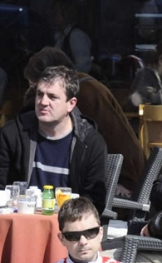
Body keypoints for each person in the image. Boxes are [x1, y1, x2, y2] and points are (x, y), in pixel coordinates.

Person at [0, 66, 107, 213]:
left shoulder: (90, 143)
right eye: (39, 94)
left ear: (71, 104)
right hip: (19, 217)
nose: (43, 102)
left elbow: (94, 200)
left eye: (52, 97)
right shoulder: (14, 133)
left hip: (67, 222)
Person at [24, 47, 145, 194]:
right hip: (128, 171)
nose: (41, 100)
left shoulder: (81, 94)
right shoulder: (86, 85)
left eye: (35, 87)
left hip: (122, 179)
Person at [51, 0, 93, 74]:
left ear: (66, 13)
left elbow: (83, 66)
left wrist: (66, 76)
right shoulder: (60, 36)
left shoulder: (76, 36)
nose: (53, 14)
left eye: (56, 11)